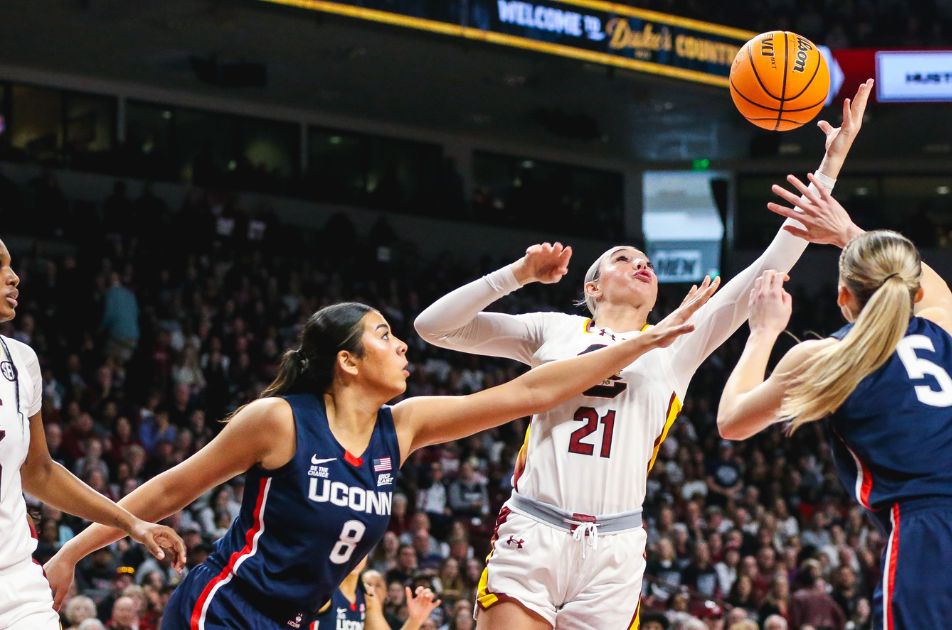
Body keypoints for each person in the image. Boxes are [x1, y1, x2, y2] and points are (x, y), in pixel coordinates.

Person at [414, 81, 875, 630]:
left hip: (614, 543)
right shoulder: (552, 330)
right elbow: (434, 327)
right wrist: (515, 274)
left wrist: (831, 163)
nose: (640, 263)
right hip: (534, 527)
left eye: (645, 261)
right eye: (621, 258)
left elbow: (774, 259)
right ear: (592, 287)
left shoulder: (679, 338)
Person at [44, 291, 708, 628]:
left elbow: (531, 391)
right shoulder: (278, 422)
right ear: (348, 361)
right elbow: (170, 489)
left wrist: (645, 342)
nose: (402, 346)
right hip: (226, 610)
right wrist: (72, 554)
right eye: (385, 336)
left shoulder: (406, 424)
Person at [713, 179, 952, 629]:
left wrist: (763, 332)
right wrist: (848, 231)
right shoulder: (947, 342)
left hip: (935, 542)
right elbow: (935, 290)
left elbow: (731, 421)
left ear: (842, 297)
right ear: (914, 293)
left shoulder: (829, 356)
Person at [0, 237, 184, 630]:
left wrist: (130, 523)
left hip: (15, 583)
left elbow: (40, 472)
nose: (14, 277)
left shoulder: (21, 361)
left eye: (12, 265)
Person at [308, 555, 439, 630]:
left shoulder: (367, 597)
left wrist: (415, 619)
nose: (357, 553)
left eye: (363, 548)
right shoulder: (322, 589)